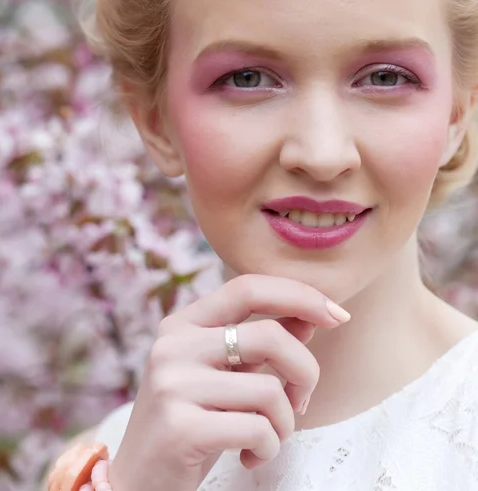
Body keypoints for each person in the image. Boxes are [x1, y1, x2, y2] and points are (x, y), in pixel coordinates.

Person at [47, 0, 478, 489]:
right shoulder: (115, 457)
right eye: (247, 78)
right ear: (154, 121)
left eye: (384, 78)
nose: (321, 155)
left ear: (457, 115)